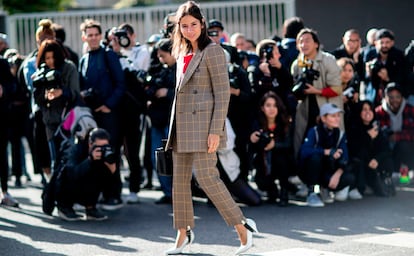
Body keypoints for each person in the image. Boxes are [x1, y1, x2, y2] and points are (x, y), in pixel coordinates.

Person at [164, 2, 257, 255]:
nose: (189, 29)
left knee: (207, 178)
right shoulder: (182, 51)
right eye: (184, 26)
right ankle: (182, 234)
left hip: (204, 127)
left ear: (202, 24)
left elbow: (223, 92)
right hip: (181, 126)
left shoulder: (213, 51)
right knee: (180, 183)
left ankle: (242, 228)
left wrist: (216, 130)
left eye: (193, 24)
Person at [79, 19, 126, 210]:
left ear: (100, 36)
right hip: (92, 116)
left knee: (110, 152)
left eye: (96, 34)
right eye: (89, 35)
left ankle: (113, 194)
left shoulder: (109, 55)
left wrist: (108, 105)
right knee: (93, 154)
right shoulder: (83, 59)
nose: (93, 38)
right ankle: (97, 193)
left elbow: (120, 83)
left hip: (109, 114)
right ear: (84, 37)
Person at [108, 22, 151, 204]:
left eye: (124, 36)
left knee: (132, 151)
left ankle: (134, 189)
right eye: (118, 38)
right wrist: (114, 50)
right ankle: (114, 190)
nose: (122, 40)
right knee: (114, 150)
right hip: (116, 109)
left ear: (132, 36)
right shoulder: (111, 53)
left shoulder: (142, 52)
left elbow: (137, 71)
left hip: (133, 110)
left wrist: (121, 53)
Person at [291, 28, 343, 160]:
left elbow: (337, 89)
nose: (304, 44)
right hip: (305, 111)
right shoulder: (297, 64)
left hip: (328, 110)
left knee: (332, 143)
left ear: (316, 44)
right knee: (303, 142)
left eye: (307, 41)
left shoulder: (328, 60)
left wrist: (317, 91)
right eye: (300, 42)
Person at [32, 39, 80, 167]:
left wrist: (62, 92)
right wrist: (45, 95)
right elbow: (37, 98)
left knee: (70, 162)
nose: (51, 61)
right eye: (47, 58)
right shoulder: (42, 72)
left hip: (69, 122)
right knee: (56, 163)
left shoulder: (69, 68)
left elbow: (75, 93)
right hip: (50, 123)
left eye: (53, 57)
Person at [298, 103, 355, 207]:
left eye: (338, 116)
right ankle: (313, 192)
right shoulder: (314, 131)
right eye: (333, 116)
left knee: (349, 177)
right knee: (315, 159)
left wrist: (337, 174)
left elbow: (345, 156)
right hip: (311, 171)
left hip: (328, 169)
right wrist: (325, 151)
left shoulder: (340, 134)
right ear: (323, 118)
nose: (337, 119)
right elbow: (304, 152)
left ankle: (325, 189)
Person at [55, 128, 116, 221]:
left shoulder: (107, 152)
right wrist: (90, 159)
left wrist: (111, 167)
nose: (102, 149)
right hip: (66, 184)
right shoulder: (75, 149)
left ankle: (90, 207)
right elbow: (71, 173)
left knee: (101, 174)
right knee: (67, 174)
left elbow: (109, 177)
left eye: (105, 146)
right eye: (99, 146)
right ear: (90, 143)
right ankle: (64, 207)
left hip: (85, 184)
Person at [145, 38, 176, 204]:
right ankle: (168, 192)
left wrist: (168, 92)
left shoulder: (181, 70)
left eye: (163, 56)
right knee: (157, 157)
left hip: (172, 122)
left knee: (176, 160)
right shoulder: (160, 70)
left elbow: (188, 93)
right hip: (158, 121)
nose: (160, 59)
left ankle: (179, 193)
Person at [249, 91, 293, 206]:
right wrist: (252, 139)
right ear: (262, 108)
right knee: (261, 181)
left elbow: (289, 144)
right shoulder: (257, 123)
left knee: (281, 159)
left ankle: (284, 191)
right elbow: (252, 148)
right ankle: (272, 190)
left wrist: (275, 144)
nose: (271, 109)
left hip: (282, 161)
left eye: (275, 105)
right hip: (263, 161)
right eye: (268, 105)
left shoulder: (284, 122)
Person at [348, 100, 395, 196]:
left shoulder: (376, 127)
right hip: (361, 164)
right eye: (364, 110)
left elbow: (386, 149)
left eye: (370, 109)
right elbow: (355, 151)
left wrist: (376, 160)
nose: (368, 112)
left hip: (374, 164)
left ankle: (385, 182)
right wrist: (367, 137)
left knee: (388, 160)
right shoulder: (353, 128)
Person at [375, 83, 414, 183]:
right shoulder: (379, 111)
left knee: (404, 146)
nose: (394, 100)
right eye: (391, 97)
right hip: (386, 144)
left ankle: (405, 174)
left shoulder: (410, 109)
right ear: (385, 97)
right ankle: (388, 175)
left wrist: (398, 136)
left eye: (397, 97)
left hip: (404, 144)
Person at [364, 29, 407, 105]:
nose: (384, 45)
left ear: (392, 43)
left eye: (387, 42)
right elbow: (365, 78)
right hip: (374, 92)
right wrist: (369, 72)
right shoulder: (370, 54)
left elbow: (402, 77)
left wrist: (387, 78)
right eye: (381, 42)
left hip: (393, 93)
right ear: (375, 43)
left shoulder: (399, 56)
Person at [0, 56, 19, 207]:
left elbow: (12, 85)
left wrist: (3, 90)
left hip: (2, 117)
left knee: (2, 156)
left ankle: (5, 192)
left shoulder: (2, 62)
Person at [337, 57, 359, 131]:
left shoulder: (353, 87)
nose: (347, 73)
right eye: (344, 70)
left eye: (350, 71)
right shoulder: (332, 86)